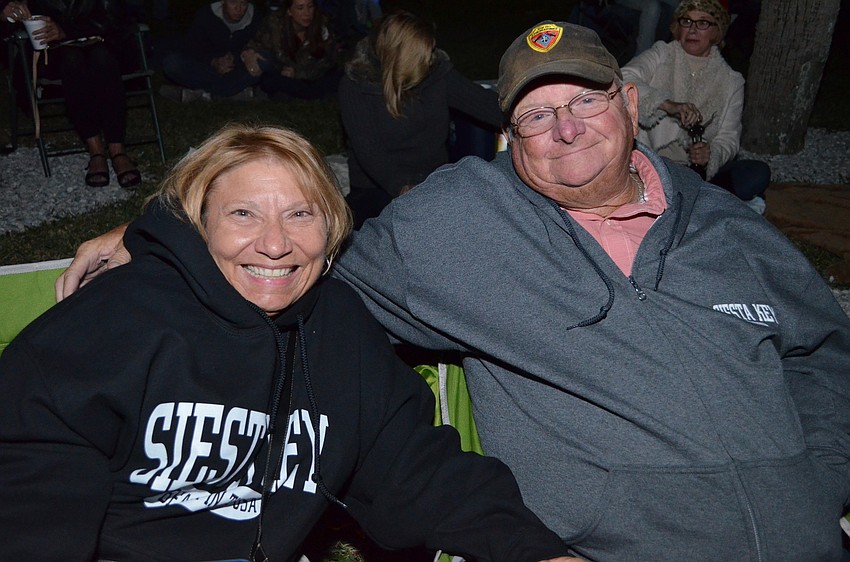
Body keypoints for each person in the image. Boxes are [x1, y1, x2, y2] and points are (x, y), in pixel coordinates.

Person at [56, 20, 850, 561]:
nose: (566, 127)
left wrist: (817, 477)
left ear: (630, 105)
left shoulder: (733, 229)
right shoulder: (458, 223)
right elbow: (291, 264)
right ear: (510, 136)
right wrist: (162, 237)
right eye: (538, 115)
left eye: (585, 100)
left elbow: (825, 352)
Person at [0, 123, 577, 562]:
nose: (274, 244)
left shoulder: (341, 327)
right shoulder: (111, 323)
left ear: (330, 232)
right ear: (199, 226)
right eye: (244, 213)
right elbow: (32, 495)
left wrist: (540, 552)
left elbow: (418, 471)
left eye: (300, 213)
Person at [339, 10, 503, 228]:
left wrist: (530, 113)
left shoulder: (435, 73)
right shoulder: (356, 86)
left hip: (435, 178)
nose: (429, 58)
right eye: (422, 54)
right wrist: (402, 187)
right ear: (400, 55)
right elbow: (370, 153)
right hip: (377, 187)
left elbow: (483, 103)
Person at [621, 0, 770, 212]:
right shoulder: (662, 53)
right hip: (651, 162)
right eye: (687, 21)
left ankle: (689, 198)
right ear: (677, 27)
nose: (692, 29)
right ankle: (704, 202)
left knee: (756, 174)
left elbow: (729, 138)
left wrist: (711, 154)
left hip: (695, 170)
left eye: (703, 23)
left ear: (716, 32)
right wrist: (666, 104)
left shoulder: (731, 81)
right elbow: (624, 77)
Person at [3, 0, 142, 189]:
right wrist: (7, 13)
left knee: (101, 57)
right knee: (71, 59)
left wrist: (66, 30)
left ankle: (117, 151)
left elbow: (115, 19)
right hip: (54, 55)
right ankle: (96, 152)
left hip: (104, 45)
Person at [160, 0, 263, 102]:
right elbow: (192, 48)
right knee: (172, 63)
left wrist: (247, 55)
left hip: (237, 68)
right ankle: (230, 92)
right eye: (233, 2)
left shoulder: (255, 17)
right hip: (208, 69)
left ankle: (202, 94)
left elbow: (261, 45)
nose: (238, 9)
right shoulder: (207, 14)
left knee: (262, 63)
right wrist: (214, 61)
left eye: (243, 4)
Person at [242, 0, 341, 100]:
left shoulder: (323, 24)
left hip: (313, 75)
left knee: (336, 78)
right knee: (268, 80)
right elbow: (257, 43)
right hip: (285, 75)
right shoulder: (275, 24)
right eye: (300, 8)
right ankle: (311, 94)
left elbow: (328, 61)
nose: (307, 13)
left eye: (310, 7)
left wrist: (297, 73)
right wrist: (249, 53)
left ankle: (306, 93)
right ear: (289, 11)